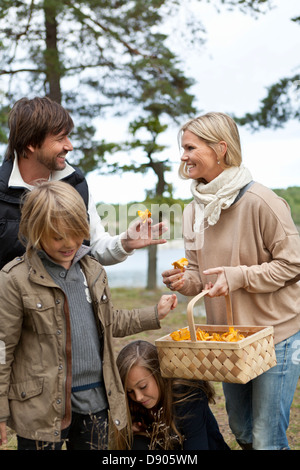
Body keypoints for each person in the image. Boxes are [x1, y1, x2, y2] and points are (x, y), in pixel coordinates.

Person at [0, 181, 177, 450]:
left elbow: (109, 321)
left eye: (75, 234)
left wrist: (155, 313)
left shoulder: (93, 270)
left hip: (95, 403)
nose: (69, 243)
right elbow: (3, 348)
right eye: (57, 237)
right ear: (35, 231)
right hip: (40, 408)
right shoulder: (14, 279)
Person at [161, 112, 300, 450]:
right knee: (242, 431)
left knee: (267, 439)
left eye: (191, 147)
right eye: (182, 148)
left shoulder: (262, 202)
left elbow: (293, 264)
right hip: (226, 342)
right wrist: (185, 280)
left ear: (220, 148)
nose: (183, 156)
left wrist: (239, 277)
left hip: (274, 336)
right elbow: (199, 274)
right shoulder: (194, 211)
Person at [0, 96, 167, 269]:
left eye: (68, 137)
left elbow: (93, 247)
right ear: (31, 144)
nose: (69, 146)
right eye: (60, 138)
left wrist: (125, 243)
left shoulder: (76, 183)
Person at [113, 340, 230, 450]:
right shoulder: (133, 403)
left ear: (158, 373)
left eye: (143, 386)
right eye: (130, 391)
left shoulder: (188, 394)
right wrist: (133, 433)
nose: (138, 397)